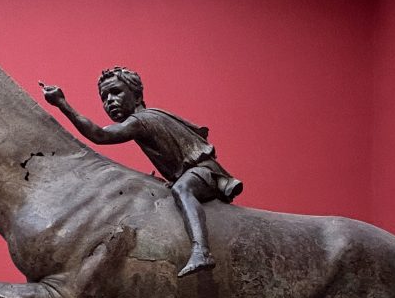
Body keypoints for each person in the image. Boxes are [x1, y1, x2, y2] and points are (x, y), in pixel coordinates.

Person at [39, 67, 243, 277]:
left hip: (204, 171)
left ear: (137, 95)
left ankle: (201, 251)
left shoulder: (141, 121)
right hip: (192, 172)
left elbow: (100, 135)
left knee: (182, 190)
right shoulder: (146, 118)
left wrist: (62, 104)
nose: (109, 101)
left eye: (116, 92)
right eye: (104, 97)